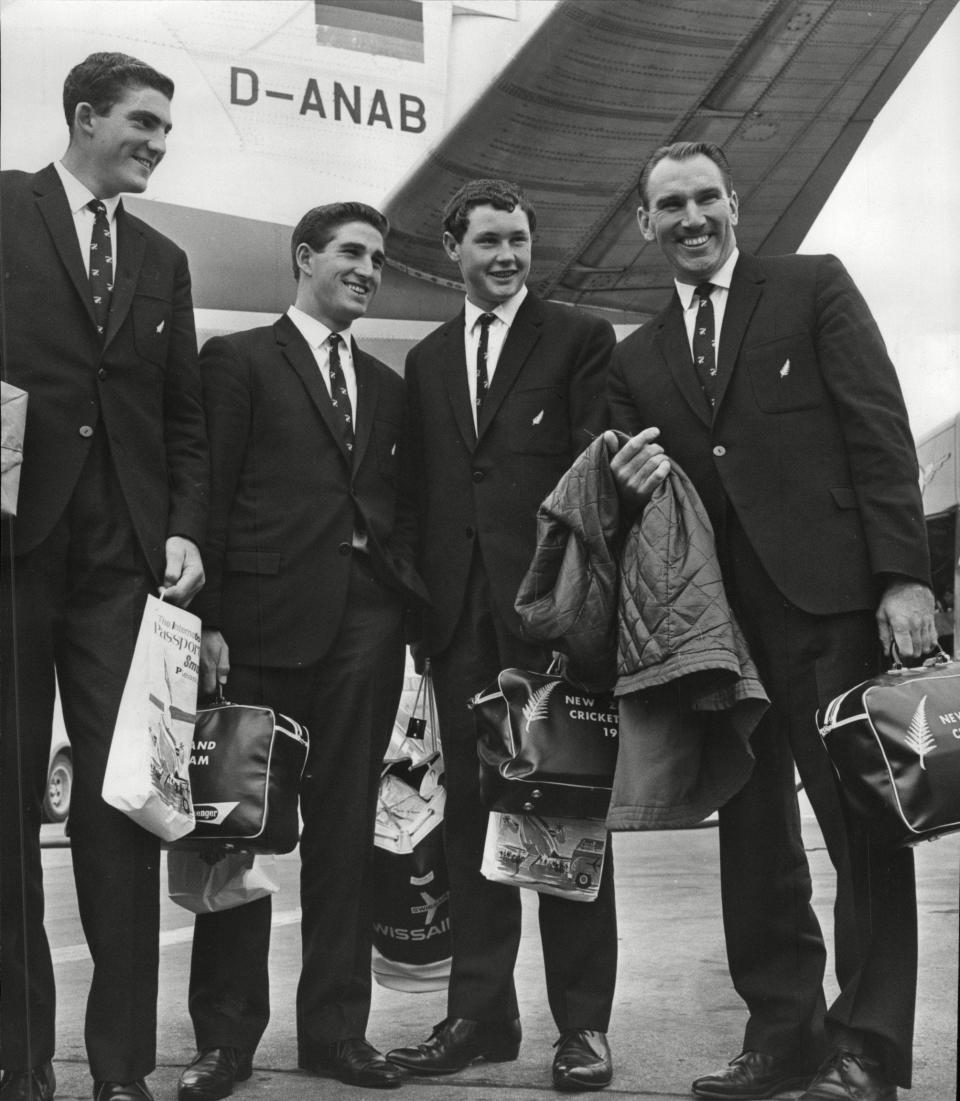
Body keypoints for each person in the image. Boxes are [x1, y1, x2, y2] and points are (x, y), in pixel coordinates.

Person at [607, 141, 936, 1101]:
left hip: (831, 609)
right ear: (646, 225)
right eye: (670, 205)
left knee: (861, 829)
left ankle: (866, 1046)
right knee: (752, 841)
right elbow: (646, 507)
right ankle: (781, 1034)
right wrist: (626, 490)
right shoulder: (637, 359)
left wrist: (904, 578)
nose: (691, 218)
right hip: (720, 634)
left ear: (736, 205)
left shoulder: (811, 287)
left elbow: (879, 429)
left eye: (706, 197)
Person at [177, 202, 427, 1101]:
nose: (368, 269)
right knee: (232, 836)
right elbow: (209, 484)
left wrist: (400, 605)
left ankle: (336, 1033)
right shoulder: (238, 360)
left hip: (364, 630)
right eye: (352, 254)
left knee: (346, 840)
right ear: (304, 257)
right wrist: (206, 620)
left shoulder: (390, 387)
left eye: (379, 259)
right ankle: (225, 1040)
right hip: (257, 627)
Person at [0, 52, 209, 1101]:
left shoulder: (164, 260)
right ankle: (21, 1062)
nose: (157, 144)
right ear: (84, 118)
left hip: (121, 565)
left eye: (165, 129)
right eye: (142, 123)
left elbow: (184, 421)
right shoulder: (3, 209)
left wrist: (182, 528)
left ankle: (121, 1070)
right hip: (11, 547)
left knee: (123, 813)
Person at [386, 179, 619, 1094]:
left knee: (562, 822)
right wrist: (421, 613)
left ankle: (583, 1027)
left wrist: (571, 612)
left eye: (519, 240)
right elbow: (419, 499)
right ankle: (479, 1017)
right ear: (454, 249)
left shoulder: (577, 340)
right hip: (457, 630)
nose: (508, 256)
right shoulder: (430, 359)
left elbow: (595, 480)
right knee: (471, 830)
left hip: (547, 628)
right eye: (488, 241)